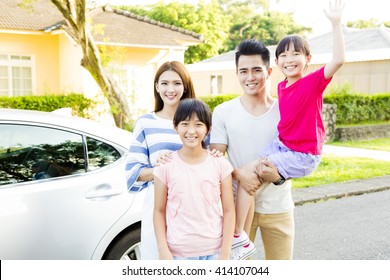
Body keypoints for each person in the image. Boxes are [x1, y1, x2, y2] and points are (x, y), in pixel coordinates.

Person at [230, 0, 346, 260]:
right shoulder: (282, 87)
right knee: (245, 173)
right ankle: (239, 234)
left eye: (296, 54)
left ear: (308, 59)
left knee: (256, 174)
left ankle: (238, 235)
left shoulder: (312, 82)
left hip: (302, 153)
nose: (289, 59)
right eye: (283, 54)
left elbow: (339, 60)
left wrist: (336, 23)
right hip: (284, 146)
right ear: (277, 62)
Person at [210, 38, 294, 260]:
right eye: (243, 71)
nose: (250, 77)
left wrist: (277, 177)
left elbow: (295, 155)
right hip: (237, 210)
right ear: (236, 74)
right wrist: (240, 175)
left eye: (256, 70)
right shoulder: (223, 112)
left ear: (268, 71)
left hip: (279, 206)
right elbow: (215, 159)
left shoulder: (285, 110)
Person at [125, 61, 196, 260]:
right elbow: (133, 173)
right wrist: (160, 168)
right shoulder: (146, 122)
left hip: (193, 202)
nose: (170, 89)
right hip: (158, 204)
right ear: (157, 87)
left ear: (185, 86)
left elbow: (207, 161)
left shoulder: (197, 120)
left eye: (176, 83)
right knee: (158, 259)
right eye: (164, 83)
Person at [153, 99, 235, 260]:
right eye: (185, 123)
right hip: (178, 253)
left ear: (208, 129)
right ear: (175, 127)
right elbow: (158, 211)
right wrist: (163, 250)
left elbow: (229, 210)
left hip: (214, 252)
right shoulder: (165, 166)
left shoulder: (220, 164)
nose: (191, 131)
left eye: (198, 124)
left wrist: (225, 252)